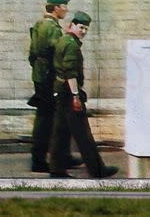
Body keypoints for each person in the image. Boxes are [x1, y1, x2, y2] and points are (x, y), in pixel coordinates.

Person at [49, 11, 119, 178]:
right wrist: (75, 96)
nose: (84, 31)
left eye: (86, 29)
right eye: (81, 27)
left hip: (59, 91)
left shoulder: (63, 40)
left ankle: (57, 169)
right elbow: (70, 72)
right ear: (72, 25)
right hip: (69, 93)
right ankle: (97, 170)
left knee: (60, 133)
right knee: (83, 134)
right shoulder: (72, 45)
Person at [28, 0, 81, 173]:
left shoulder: (40, 25)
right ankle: (39, 161)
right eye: (64, 6)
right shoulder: (50, 27)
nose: (66, 10)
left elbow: (32, 55)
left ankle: (61, 157)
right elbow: (59, 52)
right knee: (46, 121)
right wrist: (70, 37)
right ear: (56, 8)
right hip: (48, 79)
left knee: (55, 119)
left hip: (42, 77)